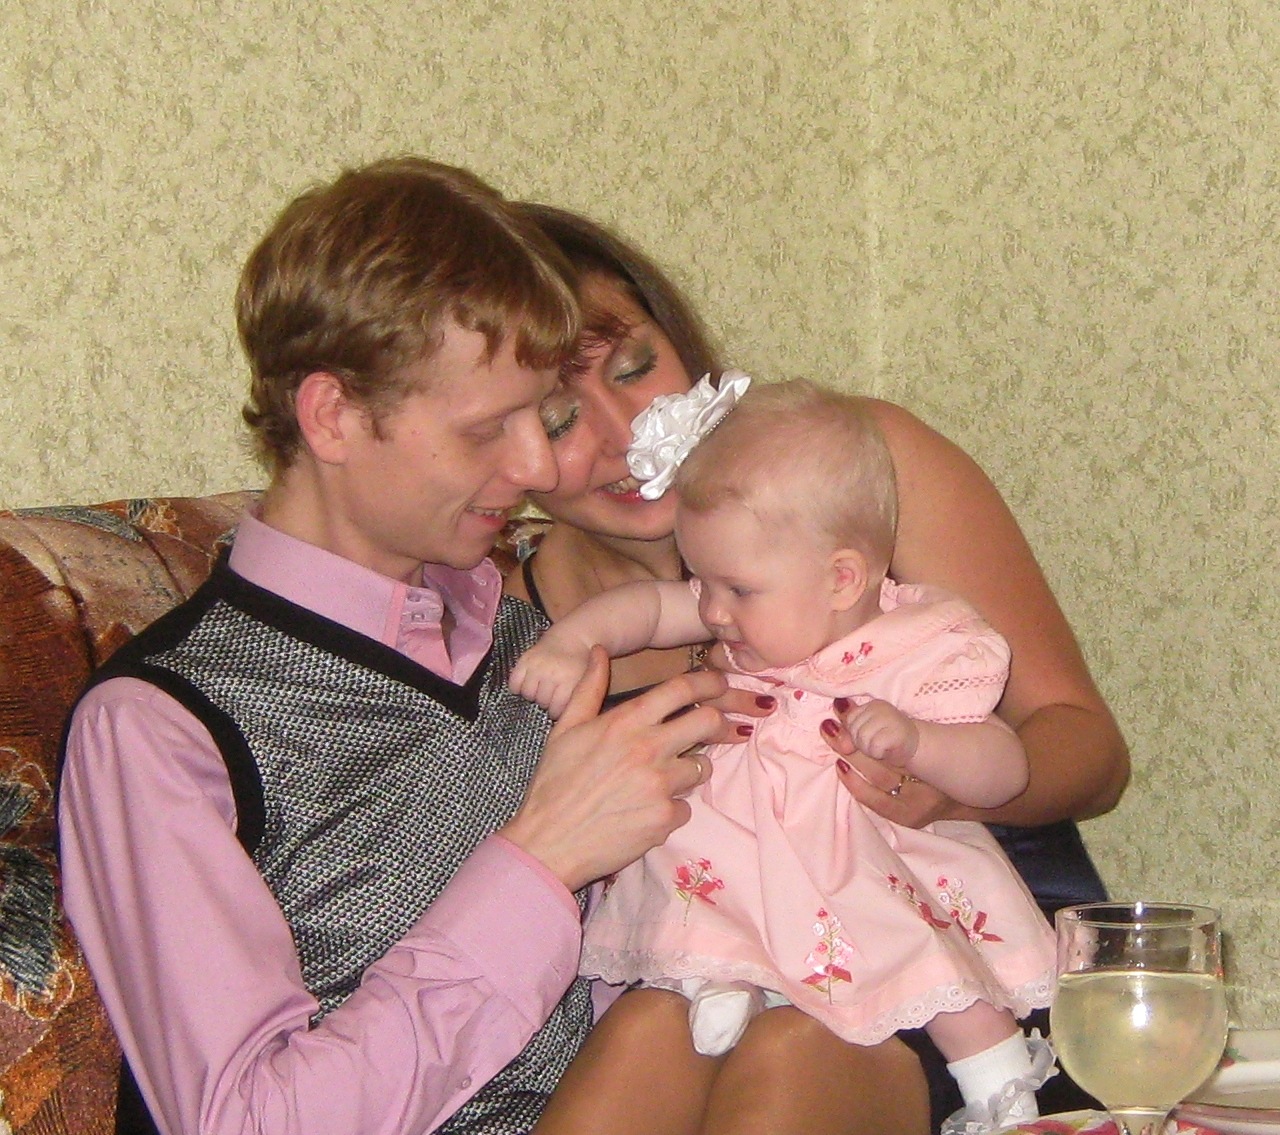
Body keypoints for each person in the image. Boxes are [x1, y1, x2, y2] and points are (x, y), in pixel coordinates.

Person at [56, 157, 734, 1135]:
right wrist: (540, 861)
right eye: (489, 428)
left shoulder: (530, 640)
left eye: (540, 418)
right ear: (332, 416)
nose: (535, 466)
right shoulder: (163, 727)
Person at [503, 202, 1130, 1132]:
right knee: (646, 1030)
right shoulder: (510, 615)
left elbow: (1090, 751)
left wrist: (944, 786)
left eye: (635, 368)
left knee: (795, 1045)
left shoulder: (853, 468)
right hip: (714, 968)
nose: (624, 431)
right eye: (558, 418)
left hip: (954, 951)